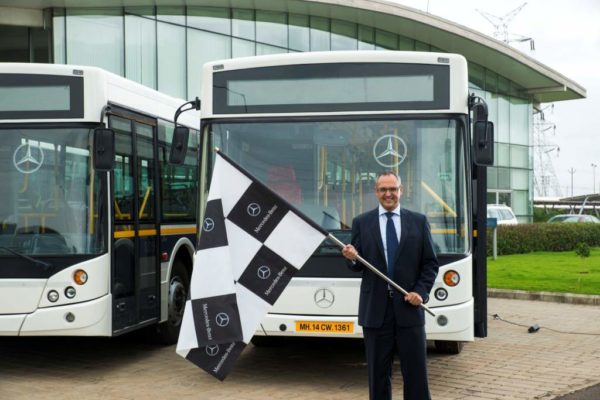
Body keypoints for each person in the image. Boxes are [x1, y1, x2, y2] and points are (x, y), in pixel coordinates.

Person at [341, 171, 439, 400]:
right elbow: (357, 266)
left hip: (409, 309)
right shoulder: (362, 222)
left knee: (416, 374)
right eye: (383, 189)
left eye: (393, 189)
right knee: (378, 375)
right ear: (376, 192)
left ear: (401, 191)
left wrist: (421, 293)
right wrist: (352, 257)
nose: (388, 194)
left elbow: (430, 264)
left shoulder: (418, 221)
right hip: (375, 311)